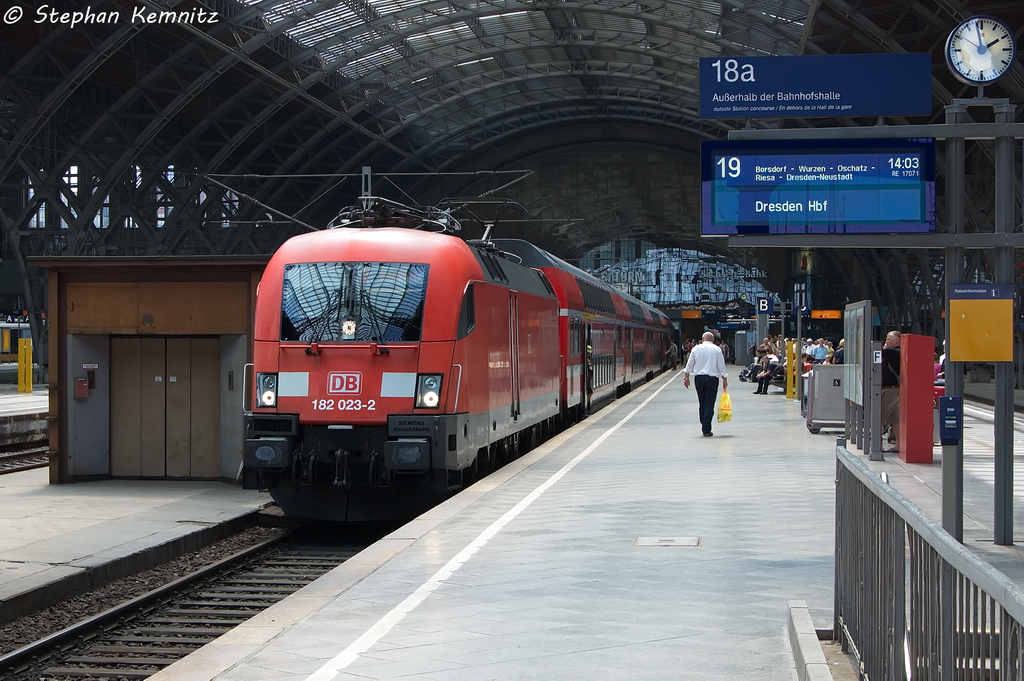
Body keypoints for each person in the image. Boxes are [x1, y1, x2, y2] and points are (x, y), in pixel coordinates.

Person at [683, 331, 729, 436]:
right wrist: (724, 379)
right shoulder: (717, 349)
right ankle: (706, 428)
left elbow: (689, 364)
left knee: (702, 403)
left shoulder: (695, 349)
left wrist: (686, 378)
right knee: (709, 404)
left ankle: (703, 422)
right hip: (712, 379)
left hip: (699, 378)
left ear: (702, 339)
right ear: (712, 340)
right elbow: (721, 365)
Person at [880, 330, 901, 452]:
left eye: (888, 339)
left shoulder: (893, 352)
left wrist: (884, 347)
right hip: (896, 390)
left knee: (879, 417)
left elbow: (878, 352)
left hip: (889, 390)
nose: (886, 341)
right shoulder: (896, 352)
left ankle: (878, 445)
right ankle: (899, 444)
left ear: (896, 340)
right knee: (895, 419)